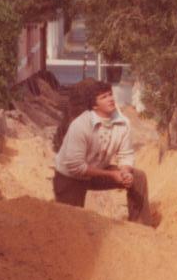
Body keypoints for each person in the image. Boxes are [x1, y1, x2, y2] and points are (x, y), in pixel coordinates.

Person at [53, 80, 154, 226]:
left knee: (138, 177)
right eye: (104, 97)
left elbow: (126, 154)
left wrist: (125, 172)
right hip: (70, 176)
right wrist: (112, 175)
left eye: (110, 95)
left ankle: (141, 227)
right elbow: (76, 167)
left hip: (97, 172)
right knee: (70, 225)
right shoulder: (80, 125)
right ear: (94, 105)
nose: (111, 99)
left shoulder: (123, 123)